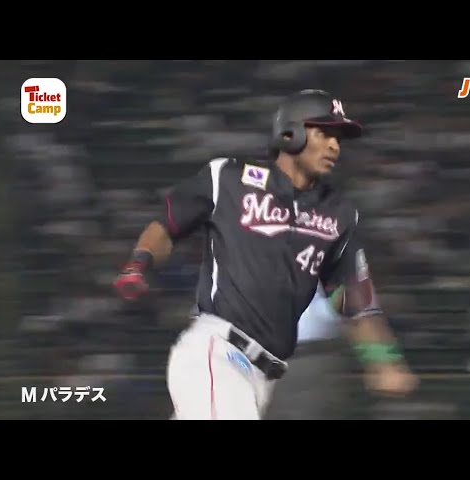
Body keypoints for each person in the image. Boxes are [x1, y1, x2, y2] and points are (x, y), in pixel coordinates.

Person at [113, 89, 418, 420]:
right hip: (217, 351)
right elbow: (168, 224)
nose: (334, 145)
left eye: (339, 138)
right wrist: (138, 263)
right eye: (324, 133)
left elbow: (355, 302)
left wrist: (383, 359)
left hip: (263, 377)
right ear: (290, 133)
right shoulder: (228, 178)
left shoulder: (338, 213)